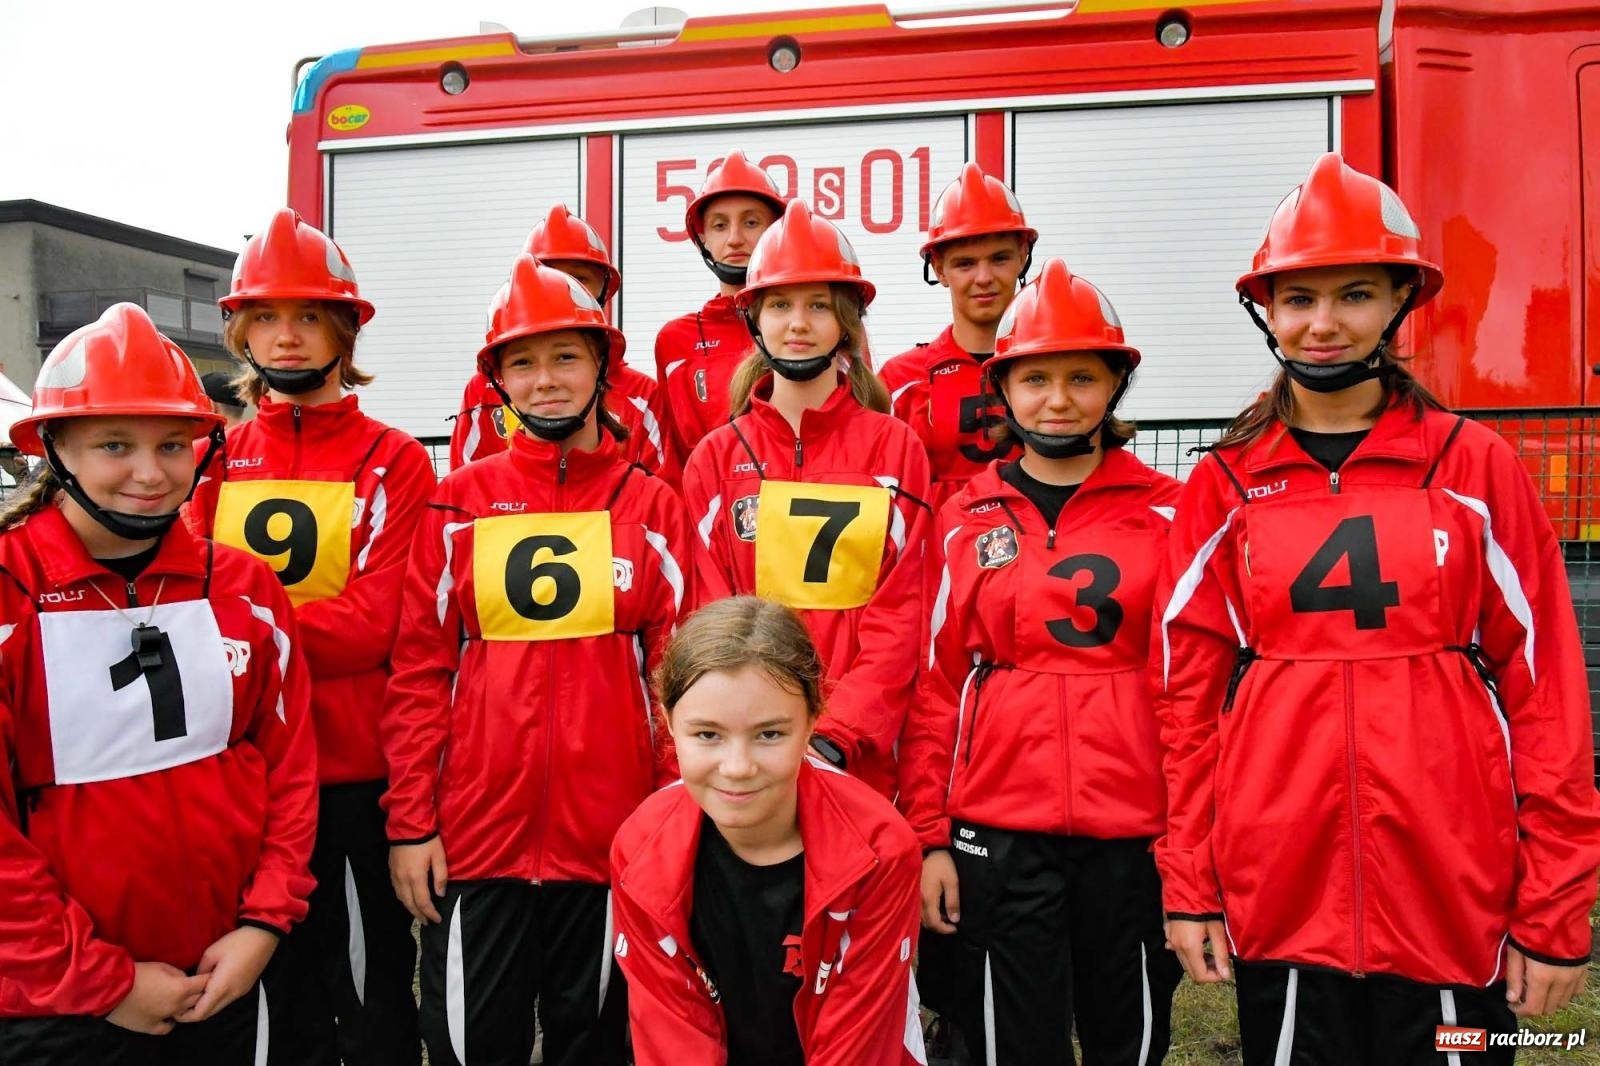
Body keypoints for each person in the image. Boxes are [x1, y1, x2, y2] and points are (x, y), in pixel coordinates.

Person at [1155, 153, 1600, 1066]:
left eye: (1354, 294)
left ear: (1399, 302)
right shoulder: (1223, 483)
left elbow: (1547, 696)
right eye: (1299, 298)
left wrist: (1554, 905)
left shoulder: (1474, 468)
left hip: (1452, 894)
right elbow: (1186, 709)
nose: (1324, 324)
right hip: (1280, 896)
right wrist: (1191, 886)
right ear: (1266, 310)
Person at [382, 254, 694, 1066]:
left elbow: (680, 682)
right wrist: (412, 821)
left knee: (593, 1045)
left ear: (602, 367)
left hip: (610, 842)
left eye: (565, 357)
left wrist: (666, 821)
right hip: (476, 843)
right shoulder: (458, 502)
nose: (545, 380)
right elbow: (419, 674)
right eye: (522, 361)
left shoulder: (653, 505)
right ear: (498, 380)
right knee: (464, 1045)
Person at [0, 303, 317, 1063]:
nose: (151, 473)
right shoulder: (10, 591)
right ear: (54, 448)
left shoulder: (244, 586)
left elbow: (288, 766)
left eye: (173, 444)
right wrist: (99, 979)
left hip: (227, 977)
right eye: (116, 444)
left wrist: (264, 926)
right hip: (56, 1003)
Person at [900, 258, 1184, 1064]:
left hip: (1131, 836)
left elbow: (1190, 695)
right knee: (1005, 1046)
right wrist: (929, 838)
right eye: (1036, 380)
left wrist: (1187, 846)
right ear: (1006, 390)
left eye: (1081, 378)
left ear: (1114, 386)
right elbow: (935, 690)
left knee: (1127, 1040)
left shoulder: (1171, 512)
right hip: (997, 831)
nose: (1058, 400)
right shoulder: (963, 517)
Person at [188, 208, 436, 1066]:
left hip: (348, 771)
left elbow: (377, 626)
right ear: (240, 331)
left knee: (369, 999)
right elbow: (189, 607)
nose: (285, 338)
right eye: (265, 317)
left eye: (306, 317)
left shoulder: (395, 458)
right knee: (271, 999)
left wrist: (243, 642)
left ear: (344, 328)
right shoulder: (212, 457)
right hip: (243, 775)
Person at [681, 198, 932, 800]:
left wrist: (838, 732)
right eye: (781, 305)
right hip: (747, 759)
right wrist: (760, 731)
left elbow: (902, 617)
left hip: (859, 759)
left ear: (845, 321)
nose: (798, 323)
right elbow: (710, 616)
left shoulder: (895, 448)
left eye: (818, 305)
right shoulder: (715, 458)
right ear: (755, 320)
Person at [610, 595, 925, 1066]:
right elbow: (674, 1039)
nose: (738, 767)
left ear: (812, 722)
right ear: (669, 723)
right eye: (708, 735)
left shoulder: (879, 849)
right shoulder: (640, 851)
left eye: (770, 734)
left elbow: (855, 1045)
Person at [449, 203, 667, 475]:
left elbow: (658, 492)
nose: (560, 287)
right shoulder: (483, 390)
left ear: (604, 291)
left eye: (579, 278)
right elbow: (468, 489)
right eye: (547, 271)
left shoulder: (642, 394)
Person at [878, 163, 1036, 509]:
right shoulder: (900, 380)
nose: (983, 277)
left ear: (1023, 257)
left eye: (999, 259)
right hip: (934, 561)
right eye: (965, 263)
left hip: (1033, 560)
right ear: (939, 268)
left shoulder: (1054, 375)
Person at [654, 151, 785, 473]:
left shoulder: (817, 324)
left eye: (751, 222)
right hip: (710, 514)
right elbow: (671, 463)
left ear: (777, 231)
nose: (735, 238)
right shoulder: (675, 341)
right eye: (719, 225)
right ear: (703, 239)